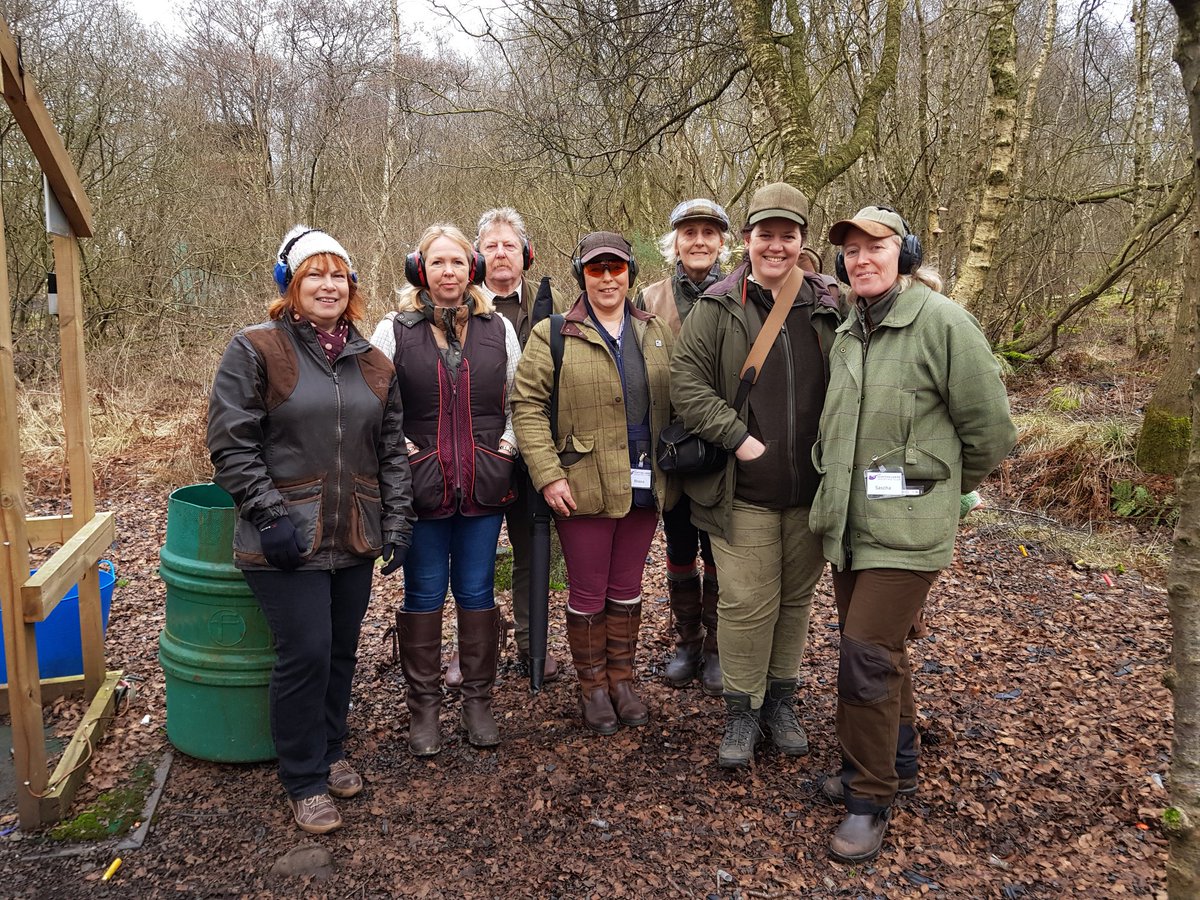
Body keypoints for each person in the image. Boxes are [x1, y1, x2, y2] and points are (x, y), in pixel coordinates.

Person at [810, 206, 1017, 863]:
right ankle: (895, 765)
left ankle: (868, 799)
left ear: (906, 252)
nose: (862, 259)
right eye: (851, 250)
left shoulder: (943, 322)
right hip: (850, 522)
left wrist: (939, 485)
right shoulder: (850, 326)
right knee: (884, 652)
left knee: (864, 654)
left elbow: (990, 432)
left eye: (876, 247)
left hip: (909, 527)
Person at [208, 225, 414, 835]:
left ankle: (330, 747)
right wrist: (268, 514)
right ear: (290, 285)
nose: (327, 285)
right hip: (285, 538)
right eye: (313, 274)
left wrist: (398, 520)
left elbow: (392, 451)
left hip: (353, 530)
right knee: (305, 652)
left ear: (351, 285)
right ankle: (302, 777)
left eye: (337, 274)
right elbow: (231, 442)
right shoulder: (255, 349)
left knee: (342, 650)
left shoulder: (373, 360)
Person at [670, 182, 840, 768]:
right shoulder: (718, 307)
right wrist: (738, 438)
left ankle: (780, 703)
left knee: (795, 601)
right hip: (741, 493)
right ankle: (742, 711)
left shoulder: (828, 304)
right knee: (745, 604)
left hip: (813, 490)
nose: (775, 246)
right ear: (746, 240)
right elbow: (686, 386)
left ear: (801, 241)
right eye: (765, 235)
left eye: (786, 236)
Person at [513, 231, 675, 735]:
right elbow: (527, 406)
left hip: (645, 482)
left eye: (616, 267)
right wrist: (548, 475)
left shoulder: (654, 330)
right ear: (581, 275)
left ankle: (623, 679)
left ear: (630, 272)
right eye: (596, 269)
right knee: (588, 588)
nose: (607, 277)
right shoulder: (554, 332)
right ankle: (591, 684)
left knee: (627, 587)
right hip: (581, 482)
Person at [370, 224, 521, 755]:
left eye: (457, 262)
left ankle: (478, 701)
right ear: (421, 270)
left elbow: (519, 399)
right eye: (438, 263)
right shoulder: (394, 330)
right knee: (425, 594)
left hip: (483, 487)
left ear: (471, 268)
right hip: (423, 489)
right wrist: (405, 452)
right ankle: (425, 710)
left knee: (478, 593)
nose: (448, 272)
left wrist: (505, 446)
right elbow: (377, 403)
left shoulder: (497, 327)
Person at [438, 207, 567, 685]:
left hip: (535, 452)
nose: (500, 254)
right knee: (472, 554)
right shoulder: (458, 309)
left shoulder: (553, 311)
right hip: (474, 453)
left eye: (508, 245)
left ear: (526, 254)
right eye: (490, 246)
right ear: (477, 256)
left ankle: (533, 644)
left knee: (533, 551)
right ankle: (471, 648)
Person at [638, 198, 732, 695]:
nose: (698, 241)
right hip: (668, 449)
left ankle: (718, 648)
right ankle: (688, 644)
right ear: (673, 241)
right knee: (678, 546)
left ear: (722, 242)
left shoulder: (741, 293)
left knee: (717, 547)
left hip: (721, 447)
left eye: (709, 233)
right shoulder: (649, 299)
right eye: (689, 232)